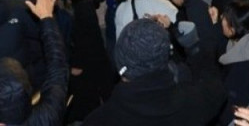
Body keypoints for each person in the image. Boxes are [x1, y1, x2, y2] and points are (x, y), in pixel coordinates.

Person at [83, 18, 225, 125]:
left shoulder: (99, 120)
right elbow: (215, 85)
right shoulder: (195, 102)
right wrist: (193, 47)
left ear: (119, 62)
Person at [216, 0, 249, 126]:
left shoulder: (244, 69)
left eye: (225, 18)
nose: (221, 18)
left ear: (233, 29)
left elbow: (231, 108)